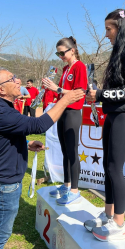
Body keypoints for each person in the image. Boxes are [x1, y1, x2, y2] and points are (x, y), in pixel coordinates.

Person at [0, 67, 85, 249]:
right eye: (12, 79)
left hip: (0, 183)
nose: (17, 81)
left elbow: (4, 136)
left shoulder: (1, 107)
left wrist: (25, 143)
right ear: (1, 89)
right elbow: (39, 124)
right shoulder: (1, 112)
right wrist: (65, 99)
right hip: (2, 186)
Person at [85, 9, 125, 241]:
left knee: (114, 169)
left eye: (109, 29)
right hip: (112, 114)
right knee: (107, 168)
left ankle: (119, 223)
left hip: (124, 116)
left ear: (120, 28)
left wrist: (101, 93)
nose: (106, 35)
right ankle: (108, 214)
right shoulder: (118, 51)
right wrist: (99, 96)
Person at [42, 36, 88, 206]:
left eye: (62, 53)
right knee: (64, 150)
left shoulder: (80, 67)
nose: (60, 56)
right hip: (63, 110)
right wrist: (51, 88)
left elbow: (80, 92)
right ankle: (66, 185)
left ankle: (75, 190)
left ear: (73, 50)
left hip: (73, 112)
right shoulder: (65, 68)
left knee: (72, 151)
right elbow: (62, 92)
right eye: (57, 53)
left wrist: (58, 88)